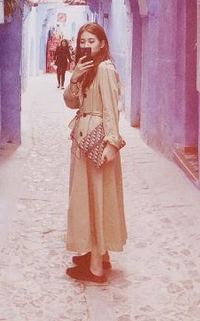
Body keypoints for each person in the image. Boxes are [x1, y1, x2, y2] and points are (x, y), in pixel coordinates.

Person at [63, 22, 127, 284]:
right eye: (82, 41)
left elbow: (112, 107)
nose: (86, 45)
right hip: (84, 140)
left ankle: (96, 269)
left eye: (91, 41)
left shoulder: (105, 69)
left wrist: (111, 142)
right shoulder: (88, 69)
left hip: (98, 142)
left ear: (102, 43)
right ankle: (99, 253)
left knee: (98, 198)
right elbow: (71, 103)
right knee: (89, 198)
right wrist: (75, 77)